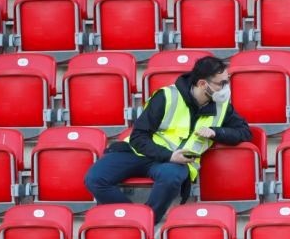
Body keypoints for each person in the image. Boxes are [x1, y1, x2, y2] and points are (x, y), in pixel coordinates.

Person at [84, 56, 252, 223]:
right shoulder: (167, 97)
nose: (226, 88)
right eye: (221, 83)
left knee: (171, 177)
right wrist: (169, 155)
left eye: (226, 82)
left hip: (176, 164)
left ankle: (146, 222)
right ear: (202, 84)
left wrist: (216, 132)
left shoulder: (221, 106)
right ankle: (133, 219)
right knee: (95, 178)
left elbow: (244, 132)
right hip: (141, 153)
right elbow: (138, 136)